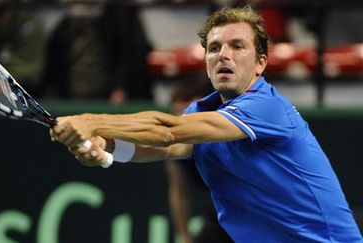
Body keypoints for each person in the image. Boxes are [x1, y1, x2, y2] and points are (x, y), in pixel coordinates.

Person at [50, 6, 363, 242]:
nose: (223, 55)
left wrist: (92, 121)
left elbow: (166, 131)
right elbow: (166, 146)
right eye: (214, 48)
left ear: (261, 62)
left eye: (237, 46)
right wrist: (104, 148)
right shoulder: (201, 110)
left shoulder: (266, 106)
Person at [166, 78, 233, 243]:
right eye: (178, 116)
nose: (183, 122)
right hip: (218, 215)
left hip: (255, 215)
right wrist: (185, 236)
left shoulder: (226, 133)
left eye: (188, 114)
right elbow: (179, 192)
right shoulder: (176, 146)